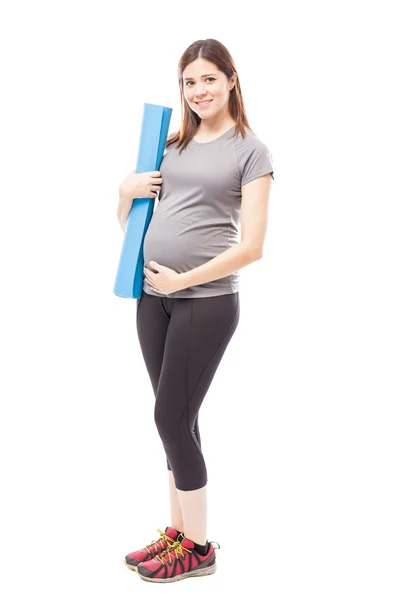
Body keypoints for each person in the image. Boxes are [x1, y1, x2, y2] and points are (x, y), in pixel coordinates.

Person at [117, 38, 274, 584]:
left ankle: (199, 548)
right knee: (177, 421)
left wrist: (184, 278)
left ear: (231, 79)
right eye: (189, 81)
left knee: (169, 417)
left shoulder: (250, 150)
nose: (199, 90)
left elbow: (252, 246)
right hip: (151, 298)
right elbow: (136, 228)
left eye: (208, 78)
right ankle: (179, 533)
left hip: (205, 303)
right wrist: (123, 193)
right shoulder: (172, 143)